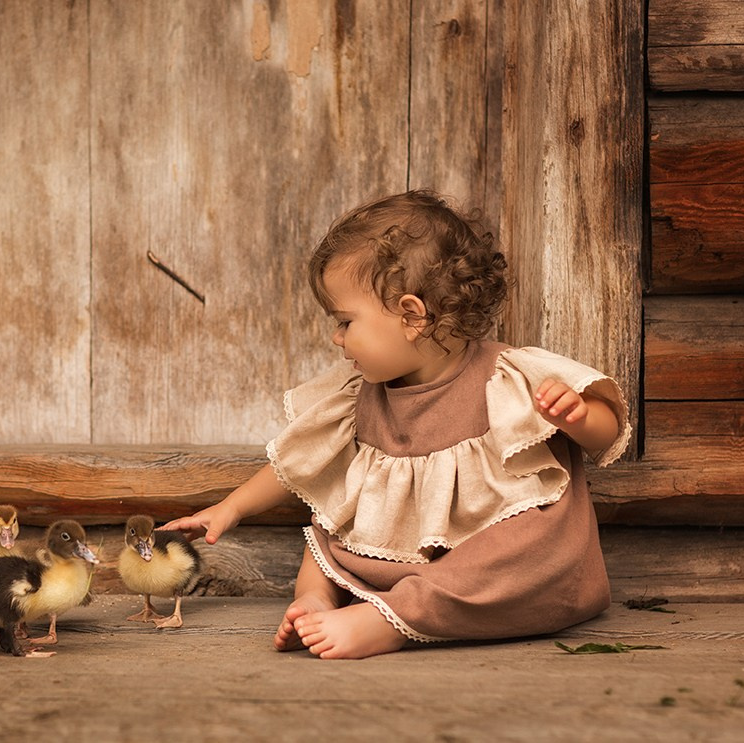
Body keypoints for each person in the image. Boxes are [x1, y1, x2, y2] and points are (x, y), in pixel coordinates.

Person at [163, 190, 630, 659]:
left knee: (528, 544)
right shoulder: (358, 397)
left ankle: (393, 621)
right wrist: (231, 508)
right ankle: (317, 598)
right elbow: (296, 464)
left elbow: (607, 434)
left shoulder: (506, 376)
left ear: (411, 315)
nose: (336, 337)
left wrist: (581, 417)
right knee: (326, 527)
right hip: (398, 559)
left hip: (484, 564)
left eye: (345, 321)